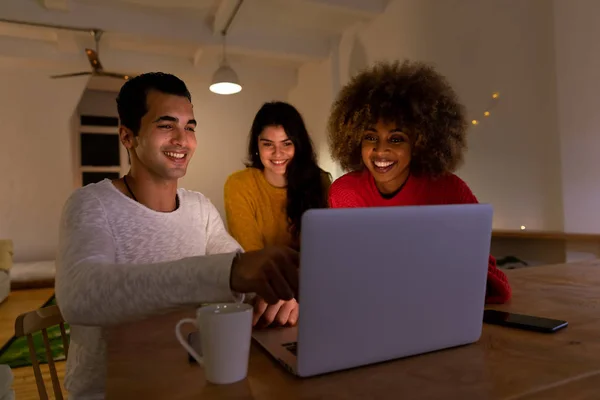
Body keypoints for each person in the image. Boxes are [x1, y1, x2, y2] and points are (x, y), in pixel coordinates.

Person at [55, 73, 299, 399]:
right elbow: (81, 295)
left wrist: (272, 294)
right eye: (166, 125)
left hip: (192, 381)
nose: (183, 140)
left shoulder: (200, 208)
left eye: (190, 127)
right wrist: (232, 273)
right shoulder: (90, 203)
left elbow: (241, 273)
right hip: (110, 391)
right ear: (128, 136)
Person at [326, 60, 511, 304]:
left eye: (396, 139)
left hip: (439, 307)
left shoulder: (450, 191)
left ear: (420, 143)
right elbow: (344, 272)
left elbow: (488, 275)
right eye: (371, 137)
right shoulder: (344, 193)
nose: (380, 151)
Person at [224, 101, 331, 327]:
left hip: (313, 295)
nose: (277, 153)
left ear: (298, 145)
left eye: (286, 143)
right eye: (268, 144)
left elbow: (324, 254)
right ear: (257, 146)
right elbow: (252, 258)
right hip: (265, 295)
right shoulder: (239, 184)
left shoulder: (320, 182)